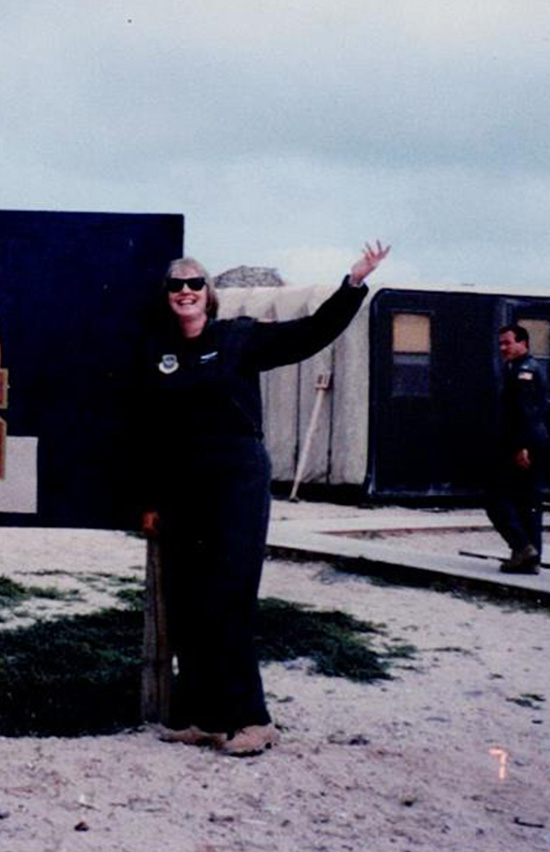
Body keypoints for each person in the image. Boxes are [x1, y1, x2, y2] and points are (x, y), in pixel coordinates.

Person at [141, 241, 389, 756]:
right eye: (175, 284)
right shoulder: (158, 352)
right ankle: (204, 718)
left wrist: (353, 284)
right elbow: (148, 432)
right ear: (165, 296)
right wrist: (150, 496)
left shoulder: (238, 338)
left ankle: (252, 720)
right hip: (182, 481)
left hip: (236, 477)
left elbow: (311, 334)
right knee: (187, 598)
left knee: (228, 596)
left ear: (208, 294)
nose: (185, 291)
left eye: (194, 283)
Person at [486, 323, 550, 574]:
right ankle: (530, 559)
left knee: (495, 498)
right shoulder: (516, 368)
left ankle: (522, 547)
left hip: (524, 442)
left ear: (524, 343)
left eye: (508, 343)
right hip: (530, 440)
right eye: (500, 343)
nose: (503, 348)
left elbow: (527, 411)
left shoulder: (525, 371)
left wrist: (522, 446)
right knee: (528, 502)